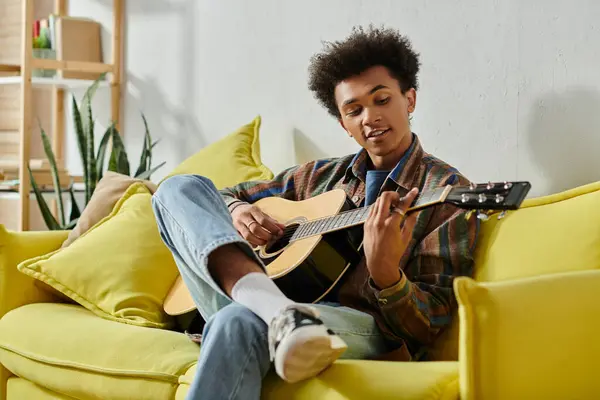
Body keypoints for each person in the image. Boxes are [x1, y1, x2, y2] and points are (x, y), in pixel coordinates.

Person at [152, 25, 479, 400]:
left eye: (382, 99)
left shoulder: (446, 191)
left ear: (410, 100)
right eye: (354, 110)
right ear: (344, 125)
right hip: (267, 304)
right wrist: (238, 210)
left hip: (359, 325)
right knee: (176, 189)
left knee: (236, 319)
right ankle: (277, 312)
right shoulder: (318, 177)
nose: (369, 117)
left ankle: (282, 317)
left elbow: (431, 322)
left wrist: (387, 277)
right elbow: (224, 194)